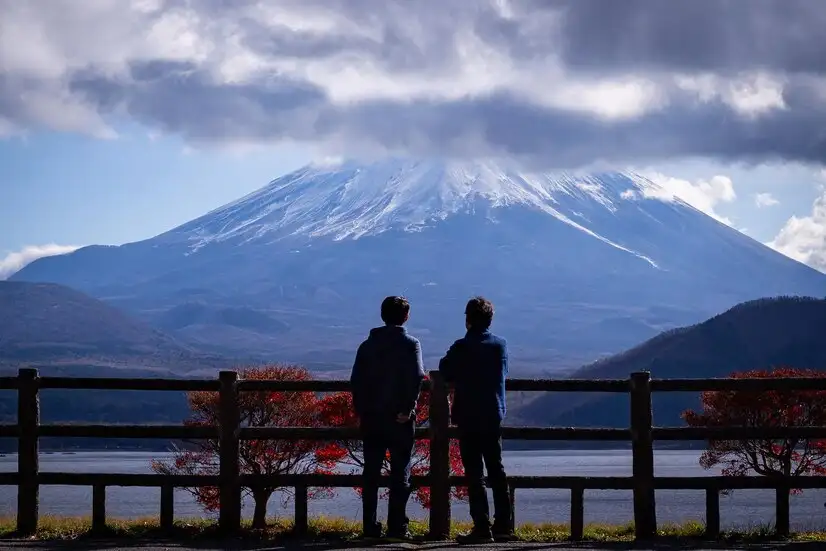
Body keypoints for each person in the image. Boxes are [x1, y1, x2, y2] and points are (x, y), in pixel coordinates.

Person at [350, 296, 425, 540]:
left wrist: (362, 411)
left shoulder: (366, 346)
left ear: (382, 315)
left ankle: (369, 527)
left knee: (370, 473)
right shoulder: (410, 344)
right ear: (406, 316)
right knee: (400, 471)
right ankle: (397, 527)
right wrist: (408, 409)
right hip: (399, 419)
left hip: (372, 418)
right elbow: (415, 378)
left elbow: (356, 382)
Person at [439, 296, 512, 544]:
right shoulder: (500, 346)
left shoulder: (462, 347)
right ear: (490, 319)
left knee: (474, 473)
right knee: (497, 469)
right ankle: (504, 524)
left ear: (468, 319)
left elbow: (445, 368)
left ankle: (482, 526)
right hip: (493, 413)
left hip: (468, 416)